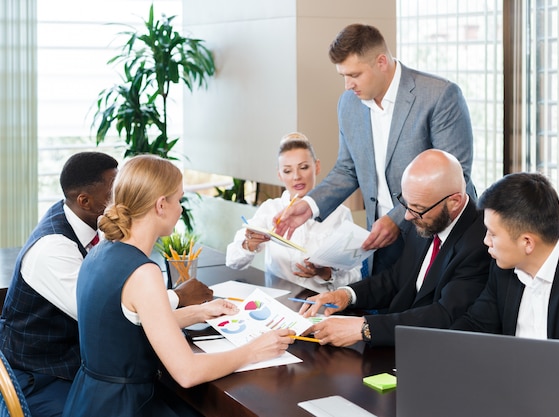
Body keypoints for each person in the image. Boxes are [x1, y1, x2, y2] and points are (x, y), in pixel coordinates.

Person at [62, 154, 294, 417]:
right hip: (127, 406)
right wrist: (253, 350)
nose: (181, 209)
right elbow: (187, 372)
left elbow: (126, 326)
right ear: (161, 205)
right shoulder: (142, 272)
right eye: (179, 200)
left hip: (90, 400)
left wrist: (199, 312)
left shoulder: (100, 252)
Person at [0, 152, 213, 417]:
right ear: (84, 201)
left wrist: (197, 313)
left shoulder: (98, 239)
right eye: (115, 189)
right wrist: (177, 297)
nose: (124, 194)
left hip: (82, 372)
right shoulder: (53, 248)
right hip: (43, 377)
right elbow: (105, 313)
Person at [274, 23, 476, 275]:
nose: (348, 85)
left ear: (381, 62)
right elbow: (347, 169)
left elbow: (456, 177)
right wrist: (311, 205)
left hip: (438, 234)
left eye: (355, 75)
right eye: (343, 76)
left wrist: (397, 218)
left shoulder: (440, 95)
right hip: (380, 239)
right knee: (378, 309)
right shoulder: (348, 104)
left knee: (431, 313)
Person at [451, 172, 559, 410]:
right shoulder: (504, 268)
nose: (486, 242)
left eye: (492, 234)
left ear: (527, 242)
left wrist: (518, 381)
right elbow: (477, 325)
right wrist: (441, 357)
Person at [299, 149, 490, 347]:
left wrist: (364, 328)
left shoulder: (480, 243)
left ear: (454, 202)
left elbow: (443, 316)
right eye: (405, 204)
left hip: (438, 352)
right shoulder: (426, 216)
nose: (407, 217)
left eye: (416, 208)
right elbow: (395, 279)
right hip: (399, 344)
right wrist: (345, 295)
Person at [226, 132, 362, 293]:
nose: (296, 177)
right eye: (287, 171)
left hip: (321, 305)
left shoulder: (339, 214)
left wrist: (325, 274)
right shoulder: (270, 210)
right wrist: (250, 244)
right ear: (279, 174)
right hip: (278, 304)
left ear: (317, 166)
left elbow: (355, 277)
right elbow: (233, 261)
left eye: (303, 167)